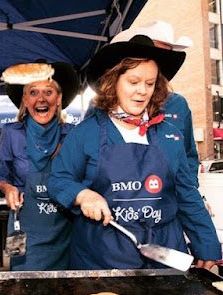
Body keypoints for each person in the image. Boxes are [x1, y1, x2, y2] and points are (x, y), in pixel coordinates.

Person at [48, 35, 221, 270]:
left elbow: (186, 194)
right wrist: (83, 195)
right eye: (133, 82)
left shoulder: (170, 135)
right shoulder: (86, 133)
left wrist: (208, 245)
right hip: (104, 254)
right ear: (113, 81)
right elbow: (59, 179)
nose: (142, 91)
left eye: (150, 84)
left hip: (165, 251)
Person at [85, 20, 199, 187]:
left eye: (165, 55)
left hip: (169, 204)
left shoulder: (179, 104)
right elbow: (84, 157)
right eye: (154, 52)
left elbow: (188, 156)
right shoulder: (100, 104)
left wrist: (192, 195)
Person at [0, 61, 79, 270]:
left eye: (48, 91)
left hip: (65, 230)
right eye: (33, 92)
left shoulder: (74, 134)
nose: (41, 99)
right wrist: (8, 188)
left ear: (58, 99)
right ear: (25, 99)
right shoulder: (12, 133)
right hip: (25, 230)